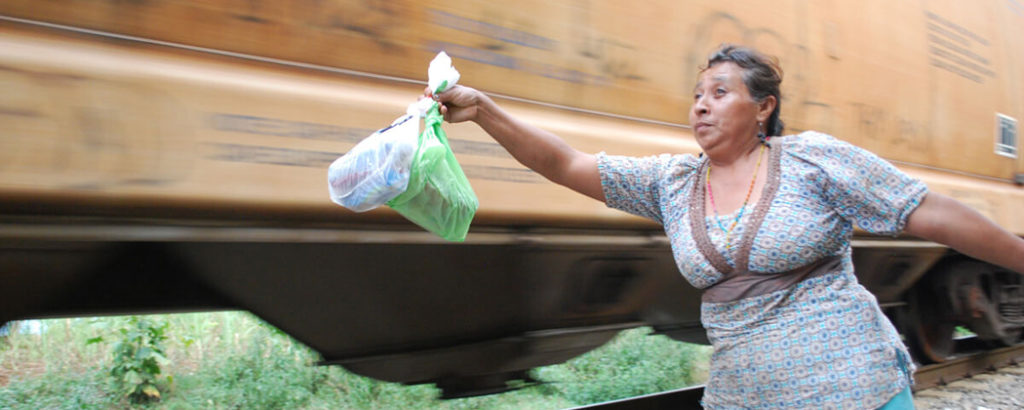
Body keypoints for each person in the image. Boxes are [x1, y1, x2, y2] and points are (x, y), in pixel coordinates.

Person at [427, 44, 1024, 409]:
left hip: (851, 388)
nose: (701, 104)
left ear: (763, 107)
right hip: (745, 395)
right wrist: (484, 111)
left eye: (720, 92)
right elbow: (566, 164)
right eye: (697, 95)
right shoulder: (673, 182)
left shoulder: (813, 161)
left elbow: (930, 211)